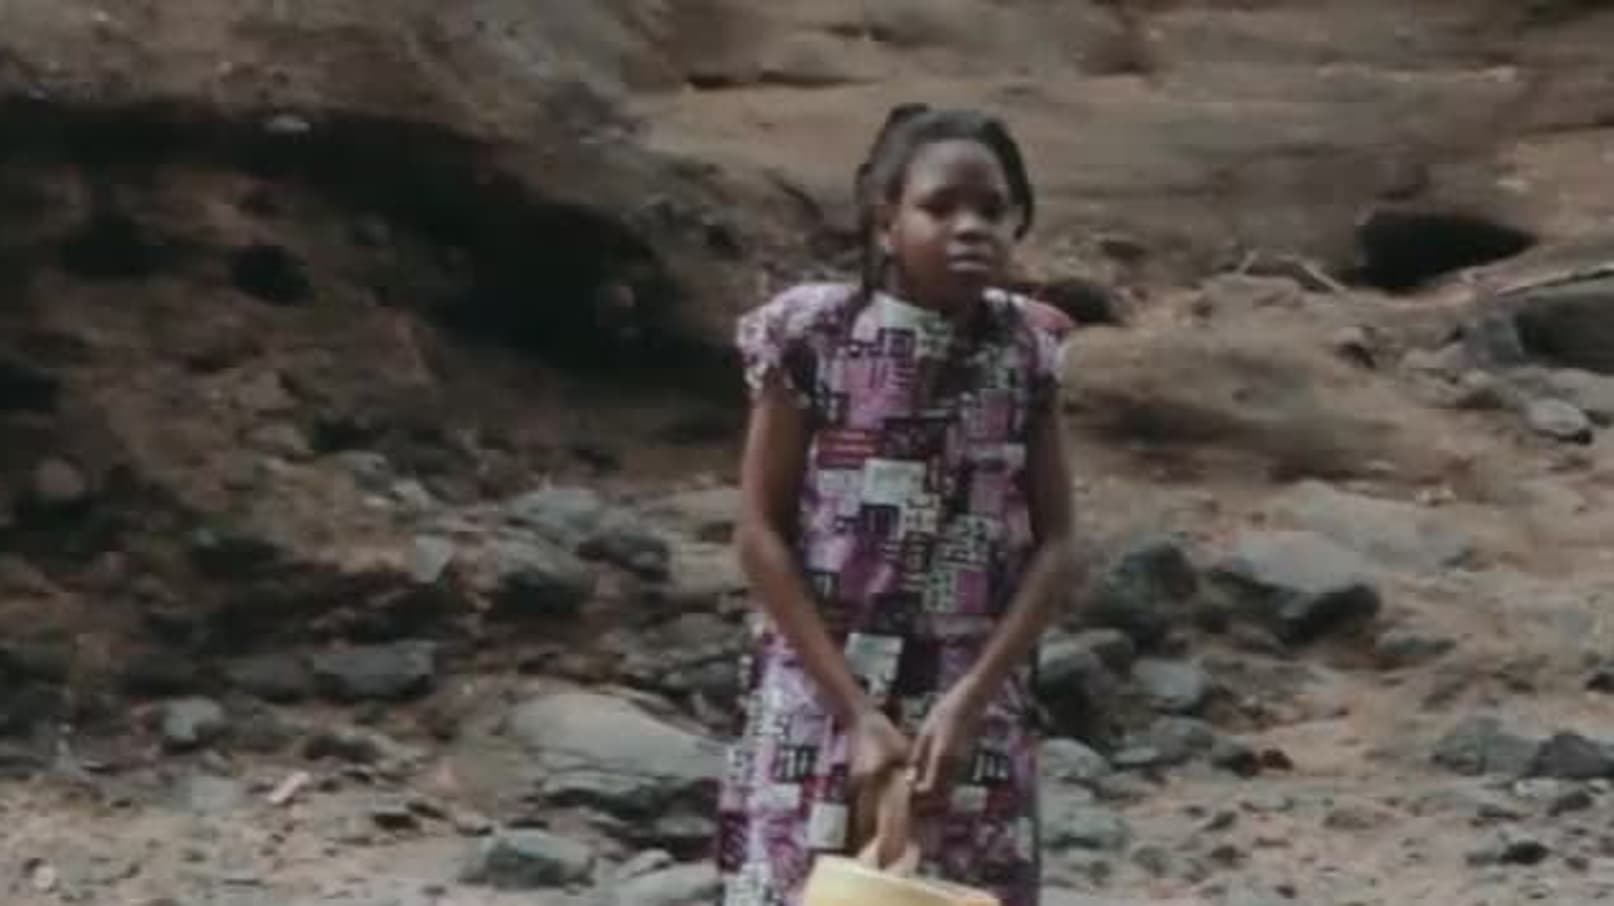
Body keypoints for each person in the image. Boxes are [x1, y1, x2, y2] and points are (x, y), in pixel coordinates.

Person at [718, 102, 1081, 906]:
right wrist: (854, 714)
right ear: (886, 223)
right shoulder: (813, 336)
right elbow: (759, 533)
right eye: (940, 207)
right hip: (820, 686)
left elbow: (1058, 544)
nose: (971, 228)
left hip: (967, 696)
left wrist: (972, 701)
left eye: (993, 210)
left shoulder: (1027, 351)